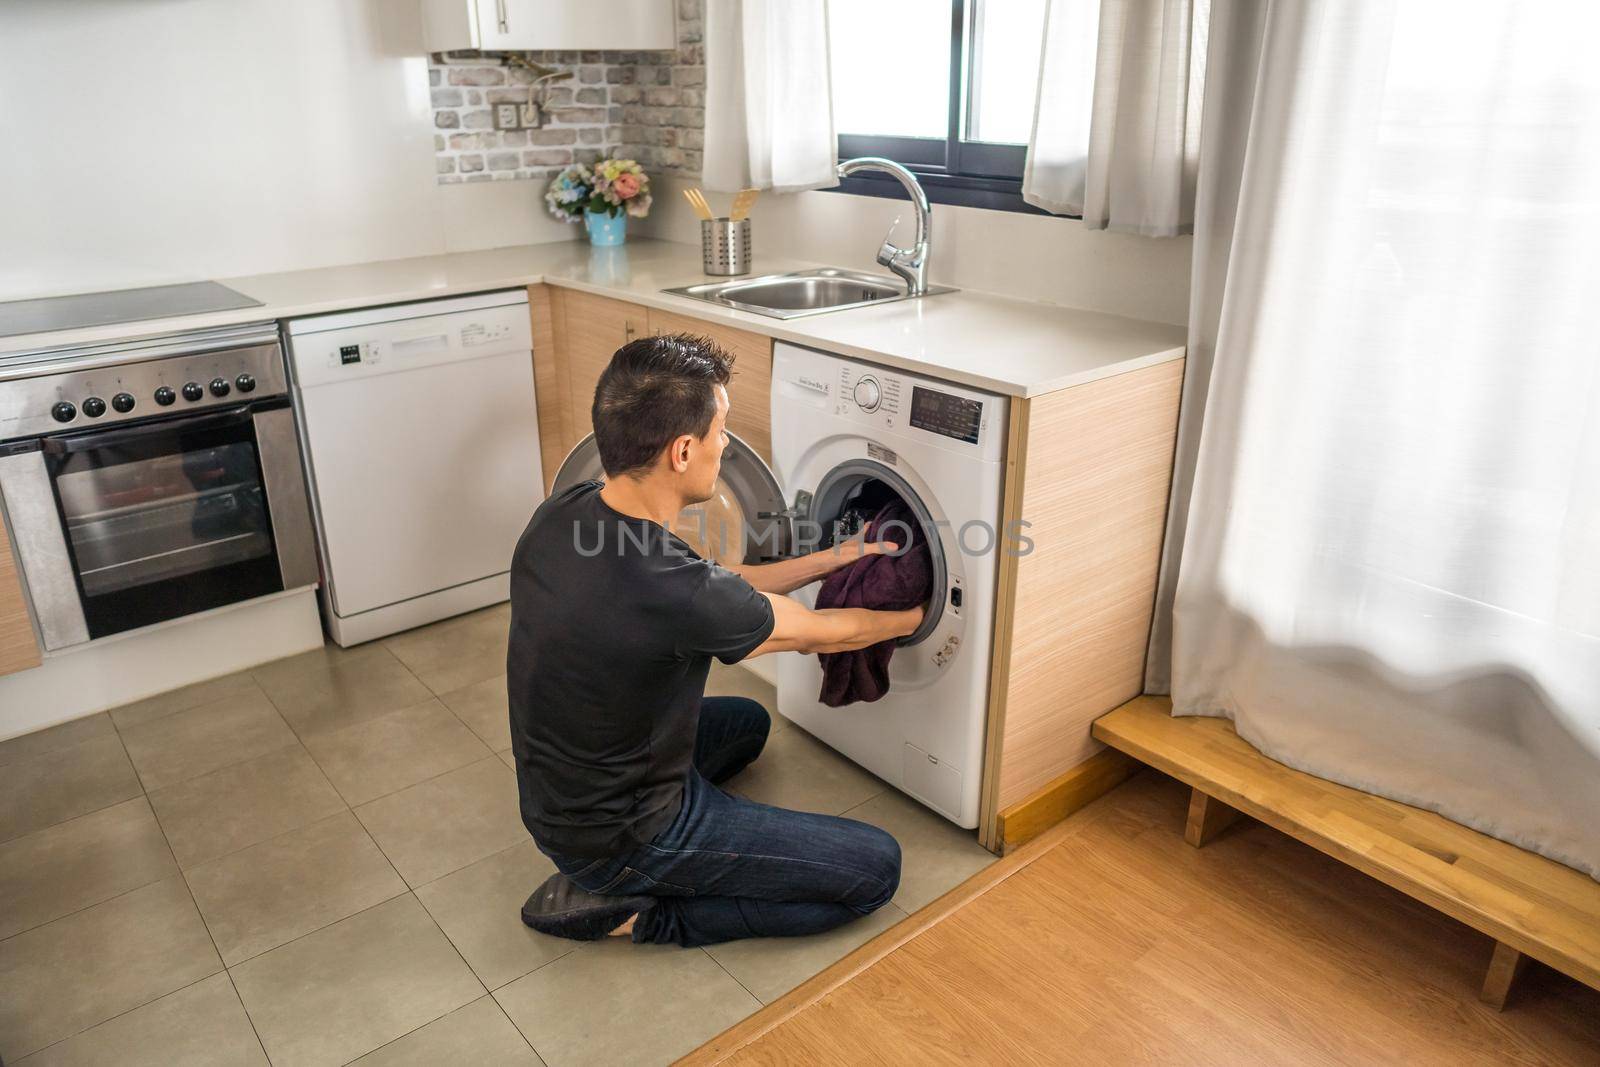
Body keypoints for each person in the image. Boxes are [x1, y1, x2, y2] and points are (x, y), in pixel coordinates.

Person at [507, 333, 923, 947]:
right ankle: (643, 914)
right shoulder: (679, 594)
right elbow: (827, 635)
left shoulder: (564, 513)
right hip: (627, 836)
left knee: (746, 724)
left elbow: (722, 586)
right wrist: (921, 616)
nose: (725, 445)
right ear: (682, 451)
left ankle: (615, 863)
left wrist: (841, 557)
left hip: (563, 800)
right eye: (720, 430)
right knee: (874, 870)